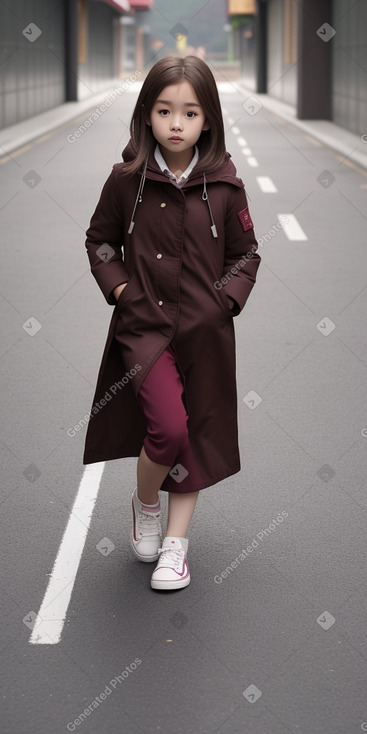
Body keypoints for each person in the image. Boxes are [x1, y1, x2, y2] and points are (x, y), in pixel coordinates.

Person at [83, 55, 261, 591]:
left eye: (189, 112)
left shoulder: (226, 187)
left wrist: (224, 302)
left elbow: (247, 253)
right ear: (147, 115)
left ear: (208, 119)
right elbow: (100, 241)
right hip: (145, 329)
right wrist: (120, 290)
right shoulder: (126, 182)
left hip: (204, 335)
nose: (176, 123)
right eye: (164, 111)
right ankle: (145, 506)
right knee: (169, 427)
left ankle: (176, 548)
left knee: (196, 437)